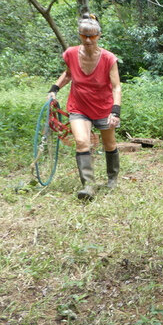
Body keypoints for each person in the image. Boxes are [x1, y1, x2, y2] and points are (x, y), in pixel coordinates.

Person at [48, 13, 122, 200]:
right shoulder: (71, 54)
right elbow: (68, 74)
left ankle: (112, 179)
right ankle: (88, 186)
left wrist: (115, 110)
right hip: (79, 106)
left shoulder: (108, 58)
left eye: (92, 36)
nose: (88, 40)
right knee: (82, 142)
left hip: (103, 107)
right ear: (79, 35)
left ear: (99, 36)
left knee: (109, 144)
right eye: (84, 36)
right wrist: (54, 89)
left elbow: (116, 86)